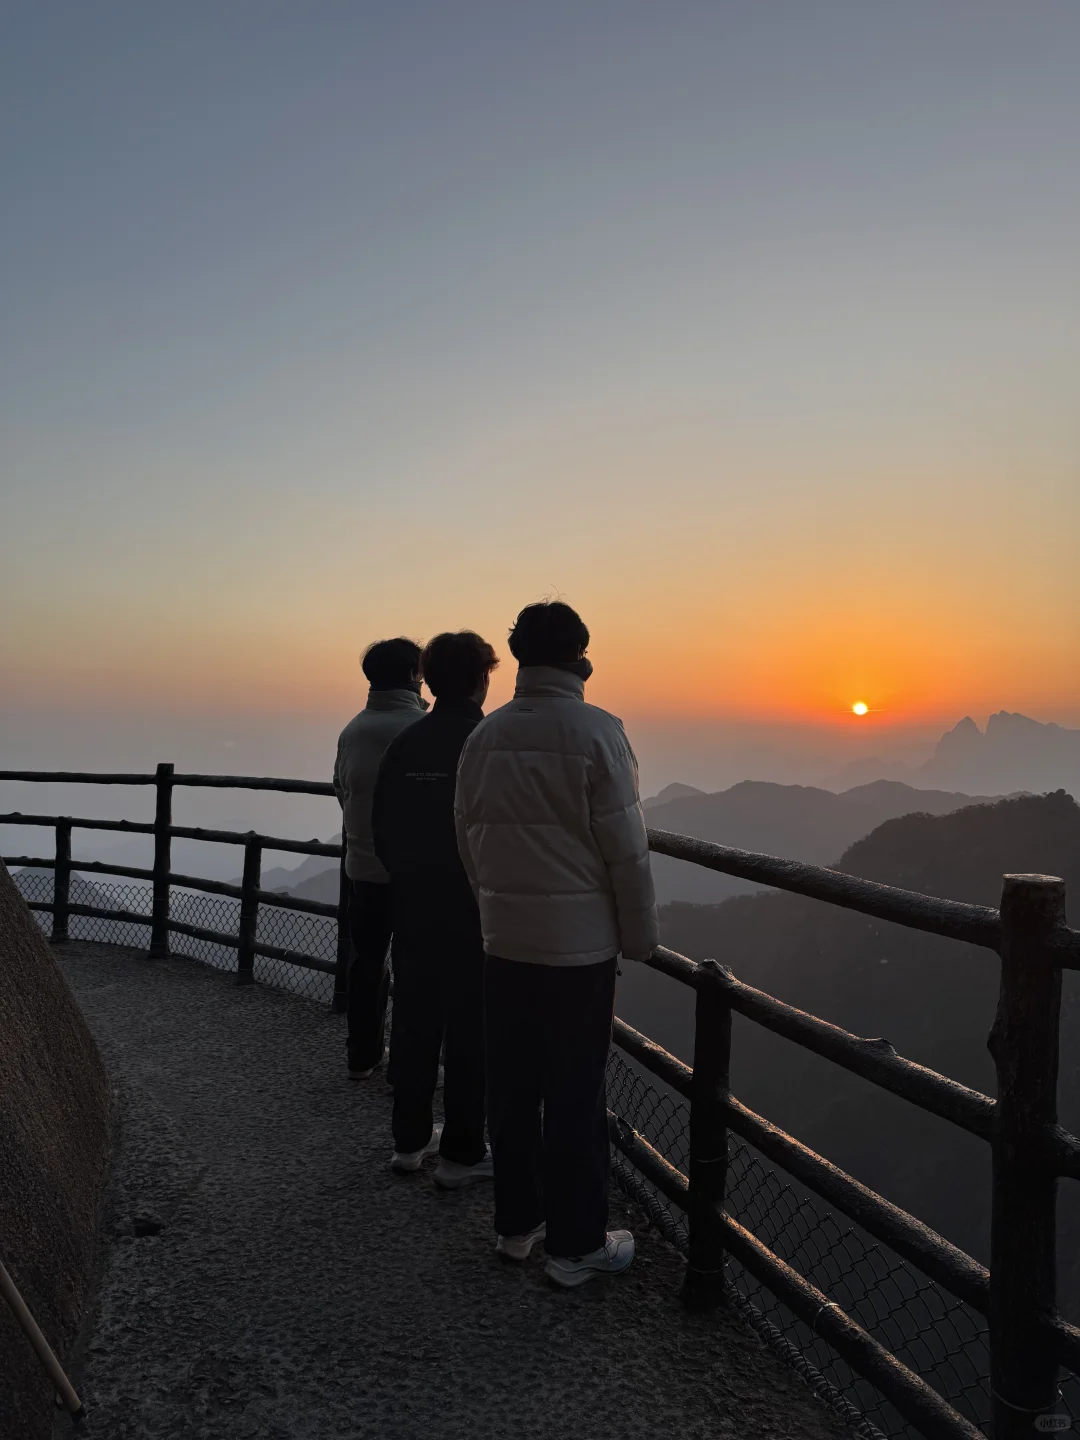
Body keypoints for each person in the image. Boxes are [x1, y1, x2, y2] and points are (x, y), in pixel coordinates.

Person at [455, 601, 658, 1287]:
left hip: (505, 943)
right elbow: (626, 851)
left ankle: (516, 1227)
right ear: (580, 655)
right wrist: (640, 938)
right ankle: (576, 1246)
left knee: (512, 1089)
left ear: (517, 656)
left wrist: (493, 910)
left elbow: (468, 837)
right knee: (574, 1093)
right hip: (578, 953)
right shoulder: (600, 732)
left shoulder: (483, 737)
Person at [372, 631, 499, 1186]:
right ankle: (461, 1154)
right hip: (477, 912)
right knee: (471, 1031)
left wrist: (409, 880)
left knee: (415, 1021)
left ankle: (408, 1141)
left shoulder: (408, 741)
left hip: (415, 905)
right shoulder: (488, 742)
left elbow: (381, 826)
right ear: (480, 679)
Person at [333, 637, 426, 1080]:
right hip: (416, 872)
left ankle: (362, 1055)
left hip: (363, 866)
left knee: (367, 960)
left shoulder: (353, 730)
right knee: (416, 967)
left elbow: (341, 790)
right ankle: (408, 1065)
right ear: (414, 675)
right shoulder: (421, 728)